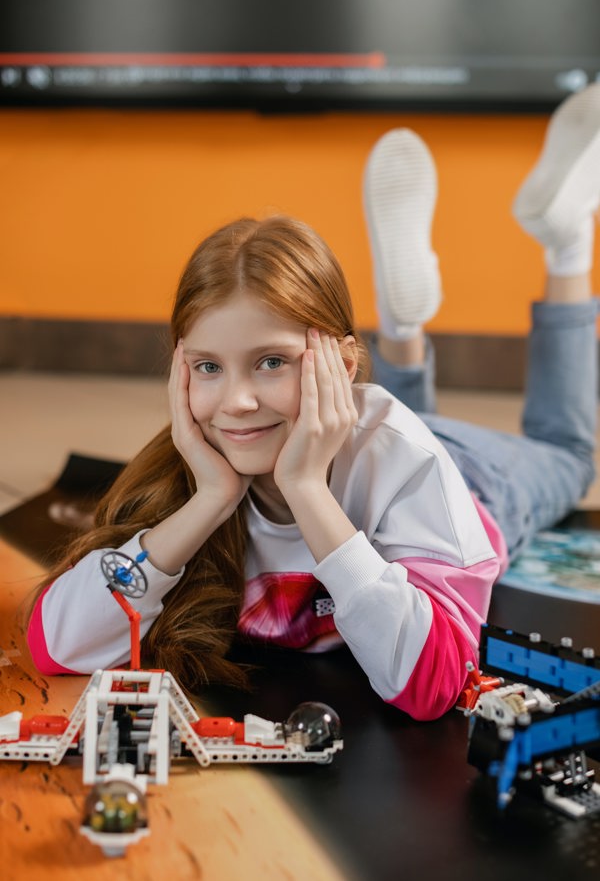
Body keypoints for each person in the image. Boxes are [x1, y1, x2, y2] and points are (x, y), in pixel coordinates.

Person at [27, 84, 600, 722]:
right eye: (208, 367)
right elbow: (55, 645)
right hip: (357, 428)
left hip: (470, 477)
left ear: (341, 364)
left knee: (569, 455)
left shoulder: (401, 455)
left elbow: (436, 683)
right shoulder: (195, 472)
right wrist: (210, 500)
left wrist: (305, 487)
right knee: (378, 427)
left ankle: (566, 242)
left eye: (271, 361)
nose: (237, 402)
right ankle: (403, 331)